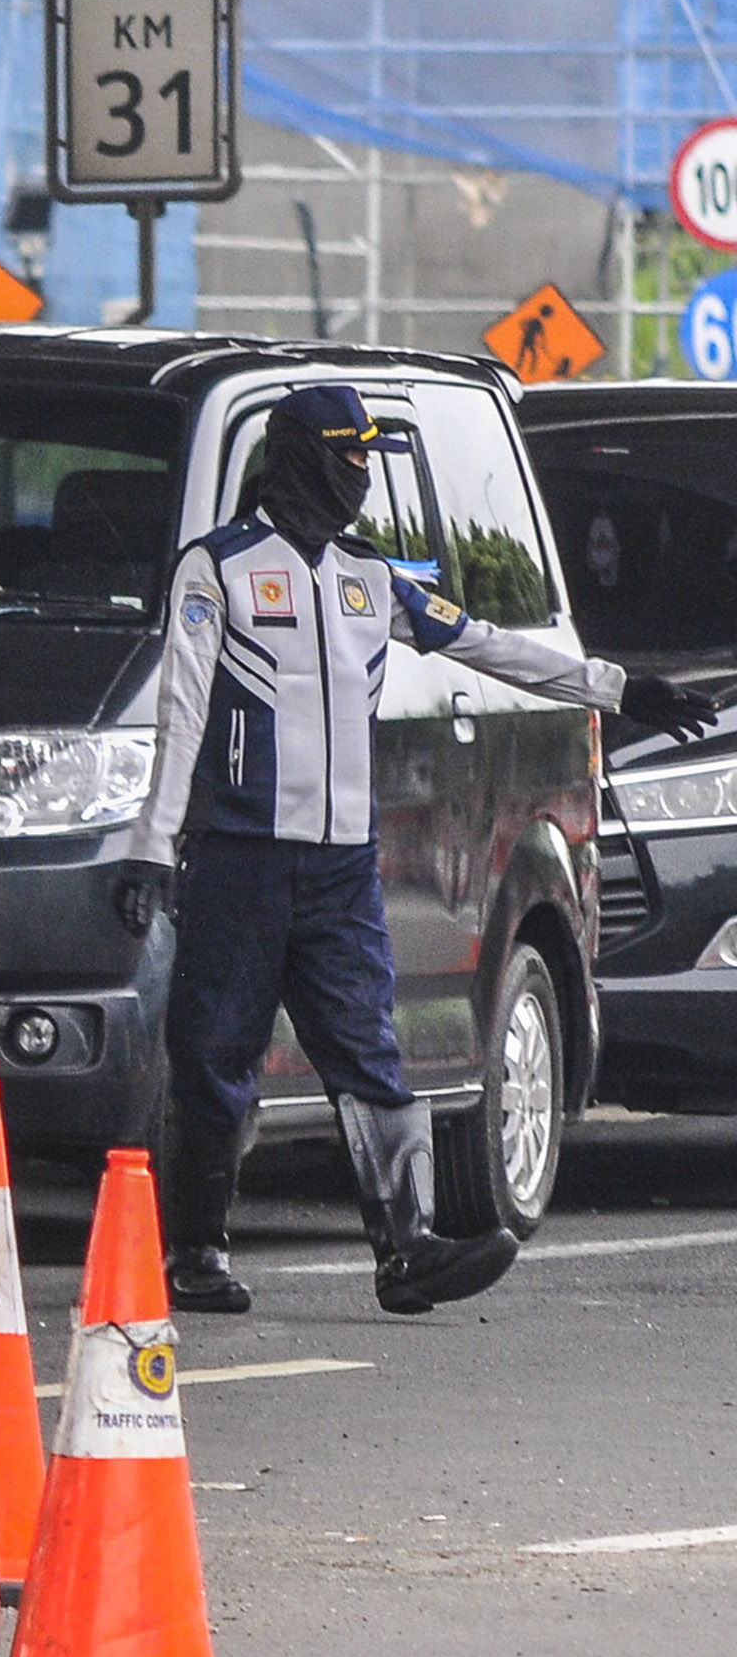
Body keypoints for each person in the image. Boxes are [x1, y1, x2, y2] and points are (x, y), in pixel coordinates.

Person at [113, 383, 714, 1320]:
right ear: (302, 458)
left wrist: (621, 691)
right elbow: (182, 713)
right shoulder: (218, 568)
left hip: (341, 869)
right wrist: (153, 847)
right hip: (239, 856)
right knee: (212, 1055)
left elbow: (487, 645)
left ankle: (410, 1250)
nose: (361, 474)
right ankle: (195, 1249)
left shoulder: (367, 576)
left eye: (367, 456)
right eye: (348, 455)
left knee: (370, 1052)